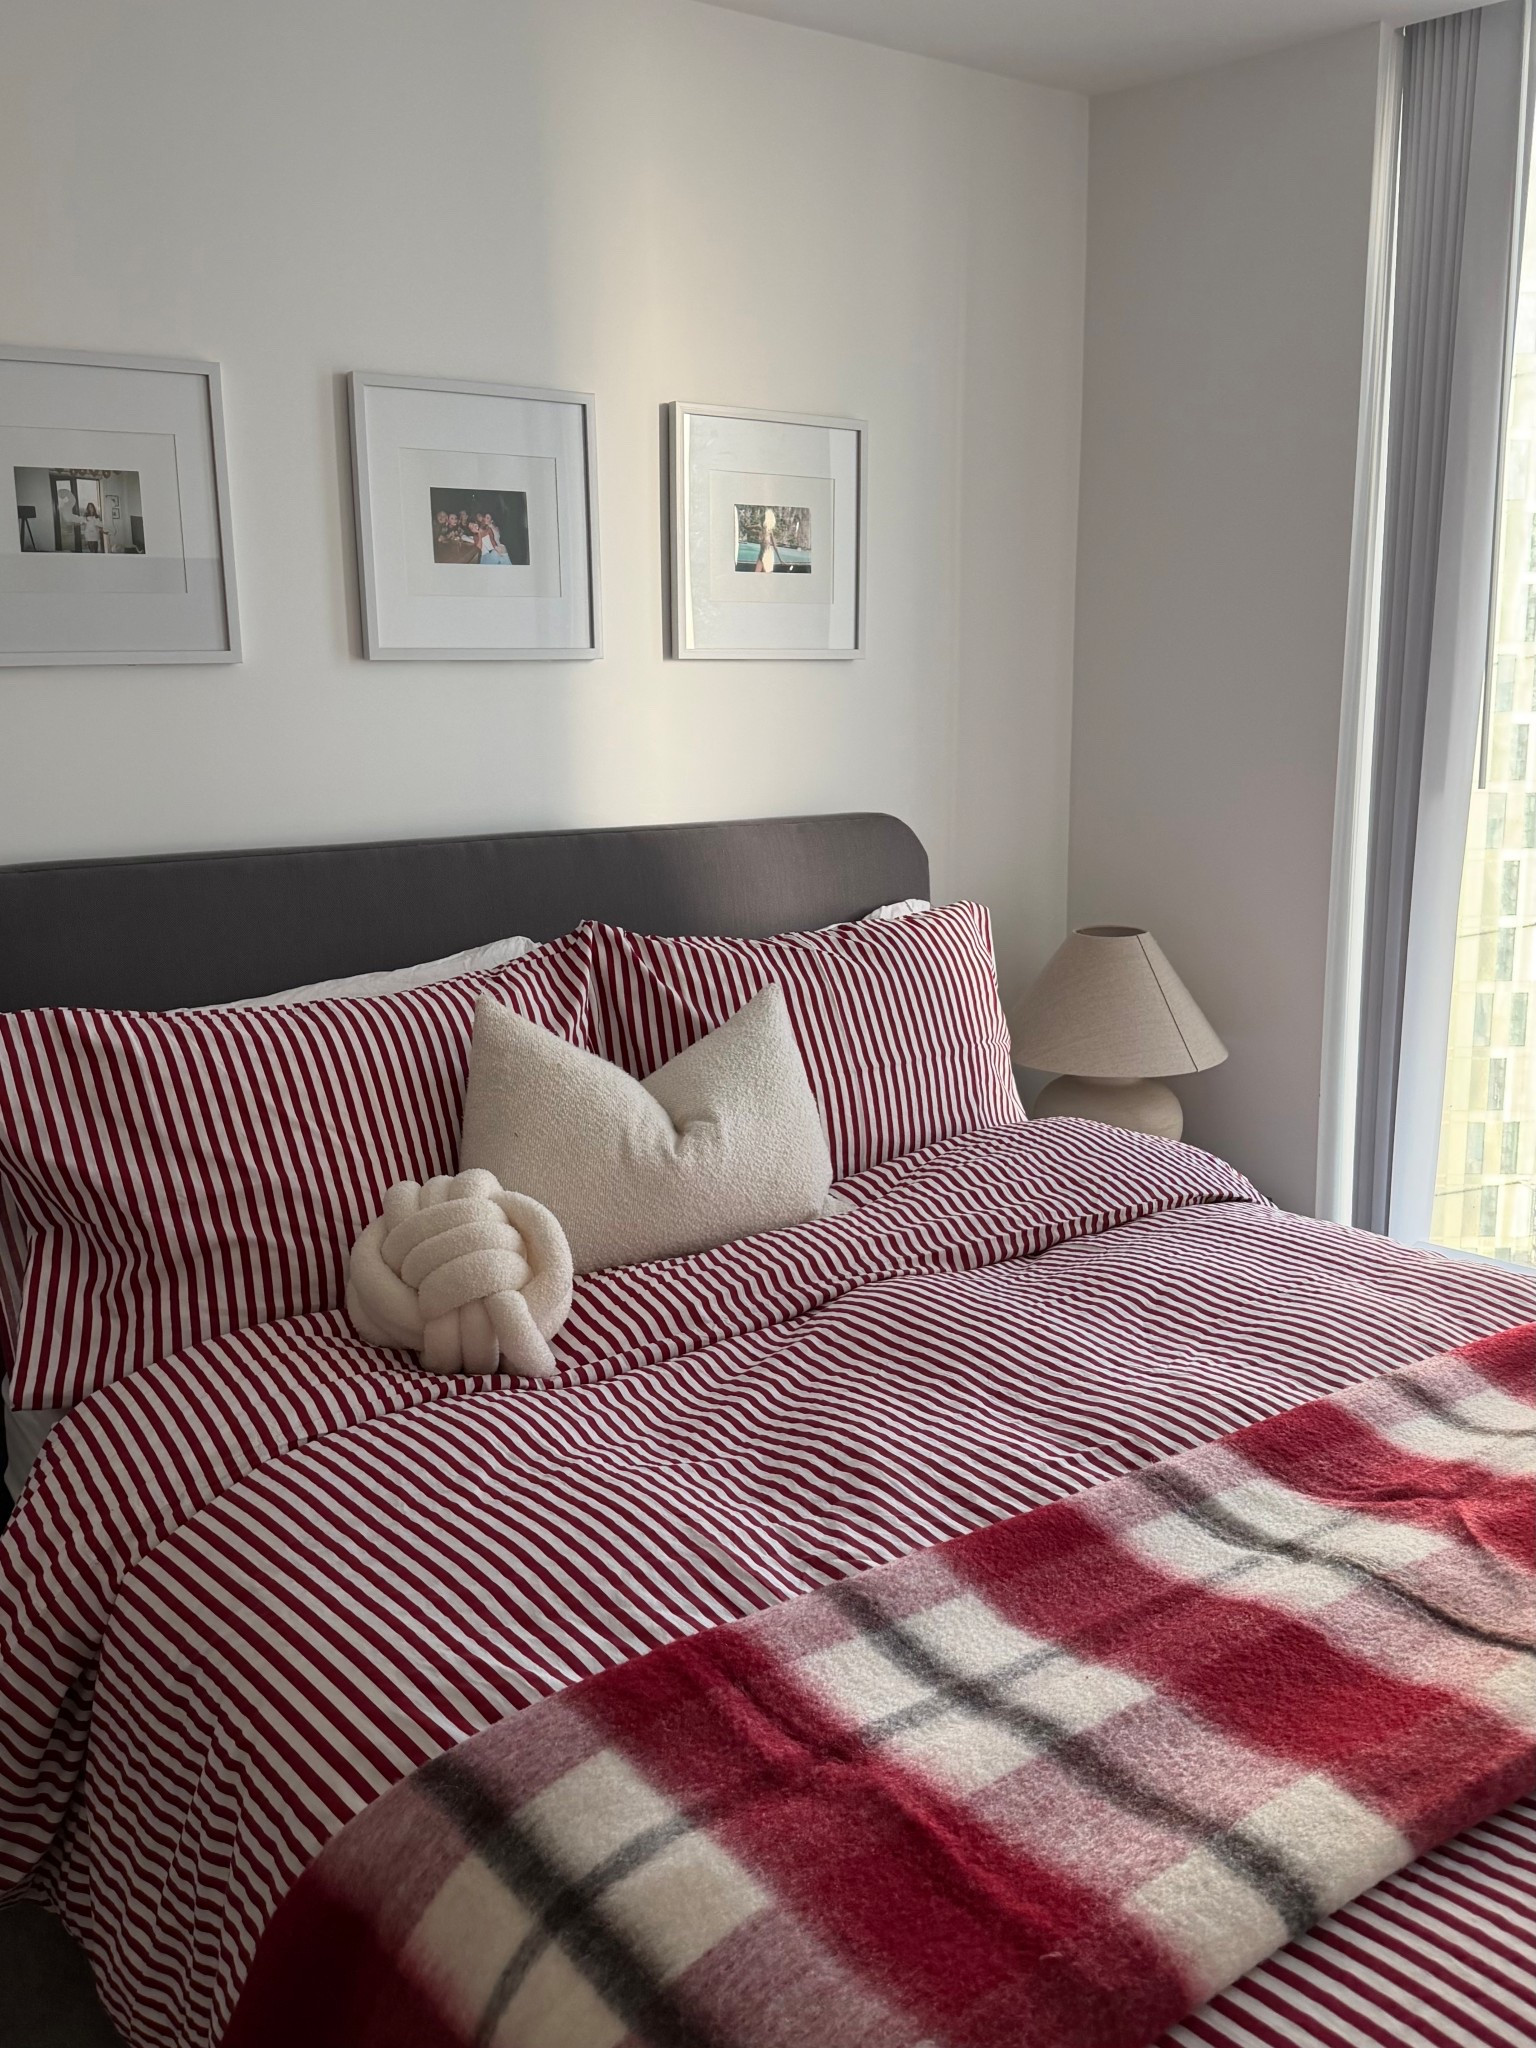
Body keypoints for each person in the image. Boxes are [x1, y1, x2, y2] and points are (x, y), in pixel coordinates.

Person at [754, 505, 779, 573]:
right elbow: (748, 527)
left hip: (768, 555)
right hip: (761, 555)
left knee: (766, 574)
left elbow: (775, 546)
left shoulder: (770, 531)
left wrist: (780, 559)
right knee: (756, 573)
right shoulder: (760, 529)